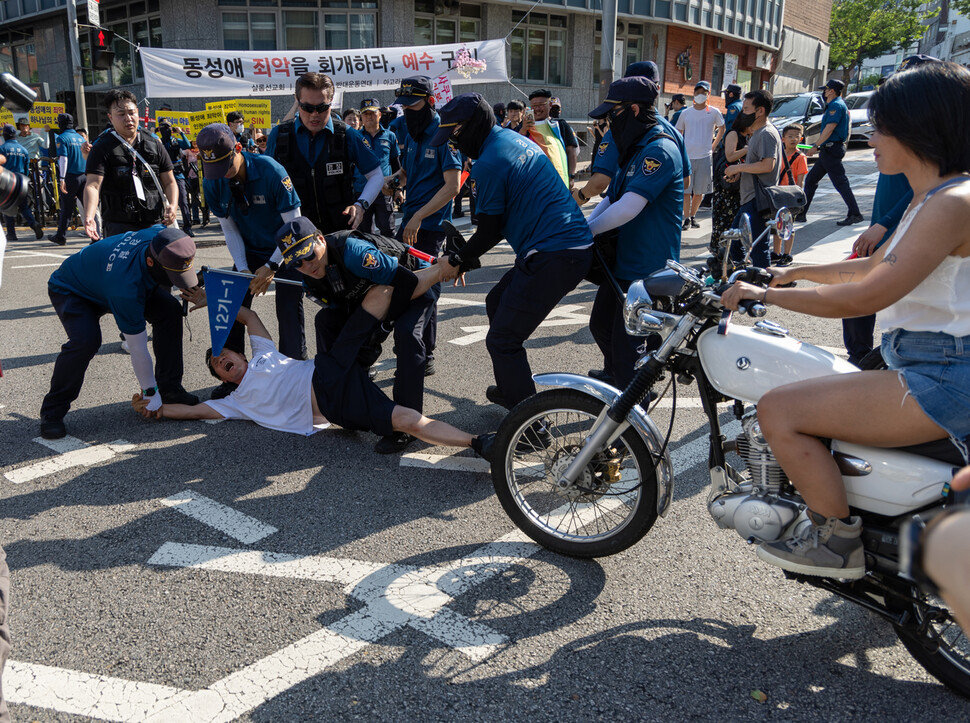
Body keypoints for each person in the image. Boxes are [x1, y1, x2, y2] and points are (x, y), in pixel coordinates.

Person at [721, 61, 970, 579]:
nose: (870, 135)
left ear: (919, 125)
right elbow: (876, 263)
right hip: (929, 361)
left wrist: (764, 296)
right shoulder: (933, 197)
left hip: (944, 375)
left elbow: (866, 296)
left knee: (779, 410)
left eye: (880, 124)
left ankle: (835, 542)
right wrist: (793, 271)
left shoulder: (951, 202)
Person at [133, 303, 493, 459]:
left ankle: (412, 282)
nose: (223, 361)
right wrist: (157, 409)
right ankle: (480, 443)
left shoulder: (263, 354)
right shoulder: (233, 402)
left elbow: (248, 315)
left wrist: (208, 299)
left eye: (226, 354)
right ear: (222, 378)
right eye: (217, 366)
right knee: (405, 420)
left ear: (242, 355)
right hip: (337, 405)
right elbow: (193, 413)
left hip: (328, 369)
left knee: (348, 317)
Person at [432, 93, 594, 412]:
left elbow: (490, 231)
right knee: (496, 301)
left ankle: (531, 425)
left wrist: (457, 261)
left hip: (554, 253)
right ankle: (512, 390)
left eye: (454, 135)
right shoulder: (509, 139)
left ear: (471, 127)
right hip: (564, 245)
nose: (453, 142)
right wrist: (463, 257)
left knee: (503, 340)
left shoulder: (491, 163)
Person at [275, 217, 439, 452]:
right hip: (373, 296)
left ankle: (407, 425)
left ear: (320, 239)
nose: (307, 266)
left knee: (407, 336)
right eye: (297, 263)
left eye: (309, 255)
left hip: (414, 284)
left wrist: (382, 327)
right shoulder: (308, 278)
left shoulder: (353, 251)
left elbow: (406, 282)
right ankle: (345, 394)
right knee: (325, 322)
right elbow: (341, 307)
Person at [39, 225, 201, 440]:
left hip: (108, 278)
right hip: (73, 289)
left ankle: (170, 389)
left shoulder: (162, 238)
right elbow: (137, 348)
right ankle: (52, 412)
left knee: (170, 311)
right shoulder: (126, 289)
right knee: (85, 341)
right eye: (171, 275)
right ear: (151, 262)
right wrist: (149, 393)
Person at [585, 77, 684, 388]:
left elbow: (629, 206)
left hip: (647, 267)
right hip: (623, 263)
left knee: (630, 347)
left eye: (613, 116)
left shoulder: (660, 149)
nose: (608, 123)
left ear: (635, 110)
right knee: (601, 325)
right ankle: (623, 384)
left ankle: (633, 404)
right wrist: (582, 228)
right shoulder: (634, 146)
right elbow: (612, 197)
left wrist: (585, 233)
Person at [197, 123, 307, 388]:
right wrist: (244, 269)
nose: (222, 176)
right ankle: (232, 376)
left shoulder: (271, 171)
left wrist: (271, 266)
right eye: (214, 170)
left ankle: (294, 374)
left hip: (287, 248)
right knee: (231, 306)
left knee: (289, 308)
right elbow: (230, 230)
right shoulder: (212, 181)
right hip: (249, 250)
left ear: (238, 149)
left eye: (226, 167)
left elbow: (294, 225)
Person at [384, 75, 462, 376]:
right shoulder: (409, 130)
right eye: (403, 106)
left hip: (430, 225)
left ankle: (423, 352)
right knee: (407, 283)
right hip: (410, 221)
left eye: (413, 105)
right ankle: (412, 345)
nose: (407, 111)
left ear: (430, 102)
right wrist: (395, 181)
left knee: (425, 288)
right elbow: (408, 169)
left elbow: (452, 186)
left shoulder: (445, 132)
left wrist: (418, 216)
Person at [266, 72, 383, 235]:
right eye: (307, 108)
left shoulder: (347, 135)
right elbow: (264, 182)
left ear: (331, 103)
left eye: (322, 108)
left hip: (338, 233)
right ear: (297, 102)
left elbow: (376, 174)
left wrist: (361, 205)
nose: (315, 114)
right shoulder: (279, 136)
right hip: (296, 235)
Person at [574, 61, 691, 209]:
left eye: (613, 112)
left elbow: (600, 182)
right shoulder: (673, 131)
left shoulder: (621, 129)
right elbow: (685, 181)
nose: (613, 117)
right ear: (657, 89)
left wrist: (581, 195)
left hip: (625, 218)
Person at [83, 89, 177, 240]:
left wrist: (172, 205)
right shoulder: (101, 147)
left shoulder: (154, 143)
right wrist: (89, 217)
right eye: (121, 114)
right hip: (118, 225)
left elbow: (170, 181)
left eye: (131, 113)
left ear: (137, 113)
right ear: (110, 117)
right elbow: (93, 185)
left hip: (154, 222)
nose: (128, 118)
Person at [723, 89, 781, 268]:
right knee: (735, 244)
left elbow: (767, 165)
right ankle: (745, 280)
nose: (743, 113)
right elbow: (758, 166)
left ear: (760, 111)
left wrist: (738, 167)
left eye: (747, 109)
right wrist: (741, 173)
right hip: (750, 198)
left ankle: (762, 288)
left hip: (758, 200)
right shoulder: (758, 133)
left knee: (757, 248)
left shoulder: (766, 133)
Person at [799, 78, 864, 226]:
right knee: (811, 180)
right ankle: (802, 213)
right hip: (829, 149)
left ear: (831, 91)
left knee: (840, 182)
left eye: (825, 90)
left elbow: (830, 128)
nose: (824, 92)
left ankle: (855, 213)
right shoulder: (835, 105)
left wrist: (815, 145)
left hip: (831, 148)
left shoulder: (836, 105)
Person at [676, 80, 725, 230]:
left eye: (703, 93)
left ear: (708, 94)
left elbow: (722, 128)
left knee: (699, 192)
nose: (700, 95)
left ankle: (692, 216)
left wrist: (714, 145)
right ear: (693, 94)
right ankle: (686, 219)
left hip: (705, 156)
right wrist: (681, 150)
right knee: (686, 191)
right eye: (697, 92)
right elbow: (679, 132)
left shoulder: (714, 112)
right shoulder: (685, 113)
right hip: (688, 157)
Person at [355, 98, 400, 236]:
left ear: (379, 114)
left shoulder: (390, 136)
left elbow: (395, 163)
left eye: (372, 113)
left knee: (388, 229)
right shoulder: (355, 137)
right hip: (361, 191)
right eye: (365, 113)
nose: (369, 116)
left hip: (384, 191)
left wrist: (398, 188)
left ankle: (390, 257)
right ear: (361, 117)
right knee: (364, 232)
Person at [521, 89, 579, 186]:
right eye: (534, 106)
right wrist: (523, 129)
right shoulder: (523, 127)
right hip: (533, 181)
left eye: (541, 105)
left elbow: (571, 151)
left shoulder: (560, 125)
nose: (537, 109)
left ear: (550, 105)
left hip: (560, 179)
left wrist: (571, 176)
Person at [773, 123, 809, 265]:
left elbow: (800, 181)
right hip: (778, 194)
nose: (793, 139)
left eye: (796, 136)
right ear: (783, 139)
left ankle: (787, 254)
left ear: (801, 139)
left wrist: (797, 197)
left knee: (788, 226)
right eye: (790, 136)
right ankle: (776, 252)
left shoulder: (800, 157)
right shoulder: (779, 154)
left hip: (790, 196)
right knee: (777, 224)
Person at [48, 113, 87, 246]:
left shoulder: (62, 138)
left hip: (70, 176)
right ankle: (96, 235)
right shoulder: (80, 138)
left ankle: (61, 236)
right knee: (88, 208)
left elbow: (63, 159)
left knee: (67, 209)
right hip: (84, 176)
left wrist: (62, 178)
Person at [710, 115, 747, 252]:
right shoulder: (733, 133)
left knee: (736, 219)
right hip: (728, 183)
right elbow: (730, 155)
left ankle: (733, 251)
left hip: (740, 184)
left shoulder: (751, 135)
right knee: (725, 218)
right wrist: (746, 149)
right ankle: (720, 252)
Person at [0, 124, 43, 240]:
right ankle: (33, 223)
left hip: (7, 180)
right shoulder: (23, 150)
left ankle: (12, 234)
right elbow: (26, 168)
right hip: (21, 180)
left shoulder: (2, 149)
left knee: (8, 208)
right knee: (24, 207)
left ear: (5, 135)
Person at [157, 118, 194, 238]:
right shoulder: (158, 141)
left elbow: (188, 145)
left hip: (177, 174)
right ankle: (163, 226)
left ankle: (187, 227)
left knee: (183, 201)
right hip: (163, 176)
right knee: (162, 202)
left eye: (168, 127)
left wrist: (181, 133)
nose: (165, 130)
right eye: (163, 127)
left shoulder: (175, 141)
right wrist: (153, 132)